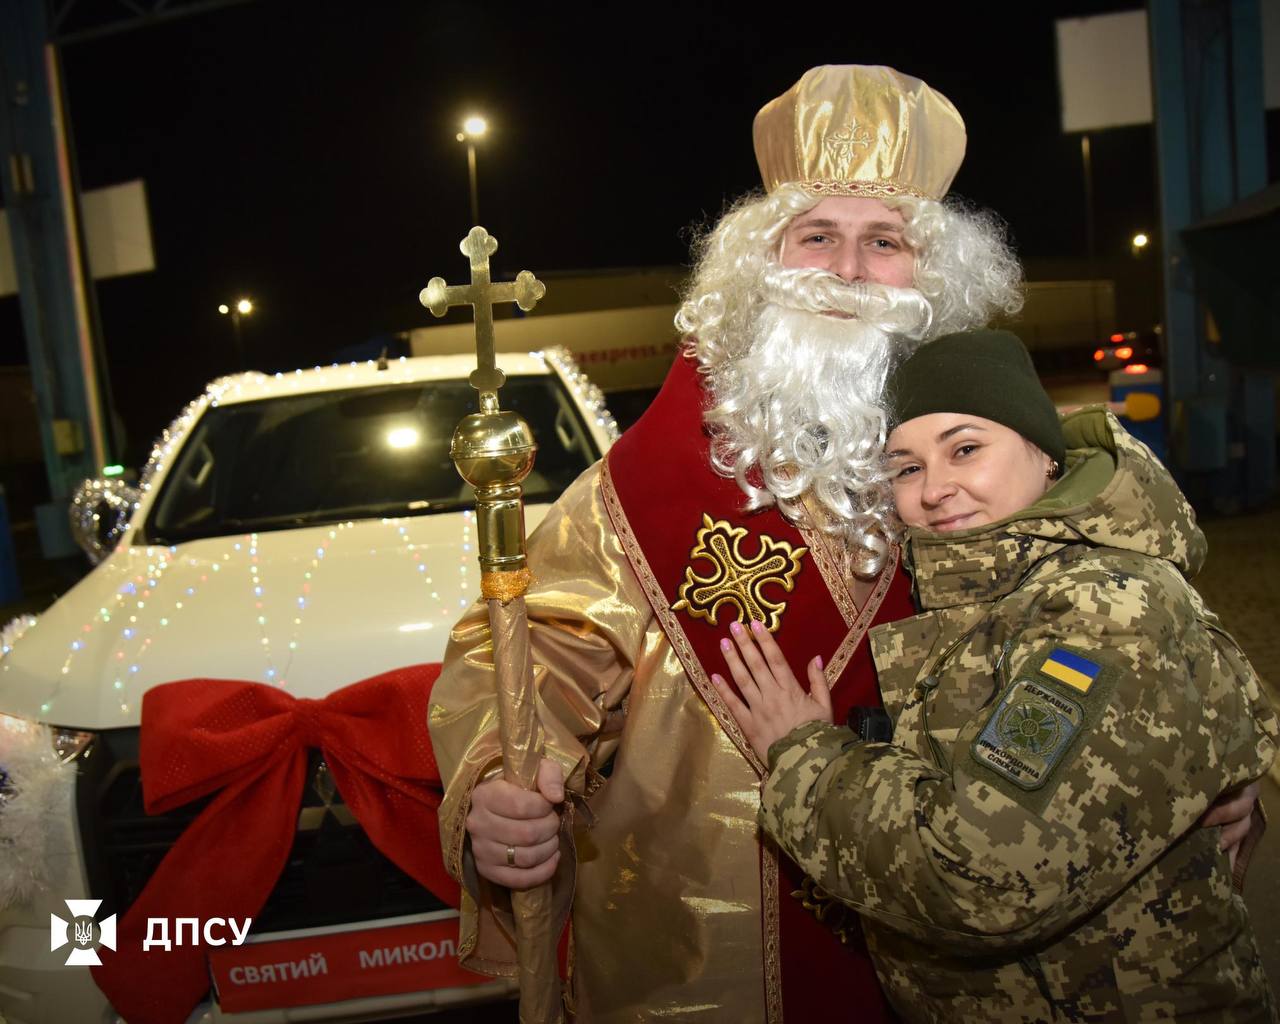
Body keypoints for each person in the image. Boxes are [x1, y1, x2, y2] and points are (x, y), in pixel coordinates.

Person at [428, 66, 1257, 1020]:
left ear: (933, 277)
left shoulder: (1006, 466)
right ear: (762, 263)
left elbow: (1138, 652)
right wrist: (500, 783)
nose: (849, 271)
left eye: (885, 241)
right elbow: (531, 655)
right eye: (817, 235)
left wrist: (1201, 772)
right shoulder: (635, 489)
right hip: (699, 966)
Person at [712, 329, 1278, 1021]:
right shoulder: (996, 590)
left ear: (1043, 452)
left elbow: (984, 875)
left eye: (965, 449)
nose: (935, 489)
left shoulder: (1100, 608)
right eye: (905, 468)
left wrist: (803, 754)